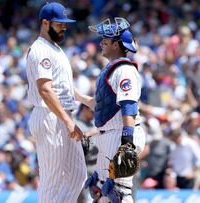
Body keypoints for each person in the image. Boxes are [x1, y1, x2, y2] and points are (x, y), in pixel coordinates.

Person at [75, 17, 145, 203]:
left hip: (121, 135)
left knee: (119, 191)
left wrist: (127, 141)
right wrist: (77, 95)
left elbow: (129, 105)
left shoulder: (125, 70)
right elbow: (100, 106)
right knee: (100, 189)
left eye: (106, 41)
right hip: (109, 135)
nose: (101, 43)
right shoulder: (110, 69)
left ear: (116, 44)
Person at [26, 2, 86, 203]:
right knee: (51, 181)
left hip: (62, 113)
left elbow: (62, 87)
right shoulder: (40, 49)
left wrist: (87, 100)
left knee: (78, 175)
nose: (64, 27)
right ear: (45, 23)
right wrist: (67, 120)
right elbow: (45, 90)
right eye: (60, 23)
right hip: (49, 116)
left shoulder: (55, 49)